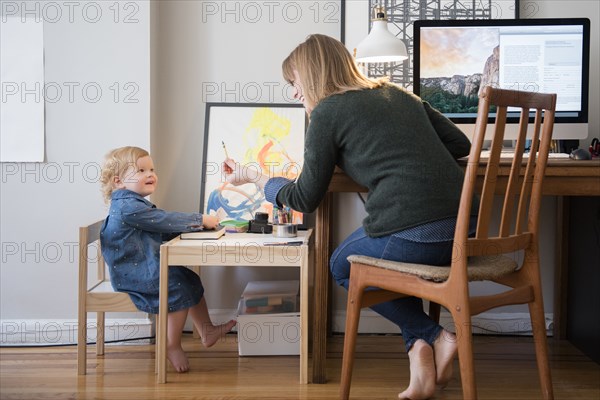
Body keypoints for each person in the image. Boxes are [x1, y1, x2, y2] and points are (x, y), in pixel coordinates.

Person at [224, 34, 478, 399]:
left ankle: (436, 336)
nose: (295, 94)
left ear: (311, 75)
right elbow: (461, 144)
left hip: (417, 235)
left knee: (343, 265)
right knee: (388, 268)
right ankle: (421, 360)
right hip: (464, 229)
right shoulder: (399, 93)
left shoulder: (327, 112)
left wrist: (252, 175)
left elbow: (304, 198)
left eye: (294, 83)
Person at [99, 146, 236, 373]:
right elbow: (162, 220)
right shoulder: (127, 207)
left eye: (151, 169)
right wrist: (200, 219)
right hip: (133, 274)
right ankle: (171, 345)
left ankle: (207, 330)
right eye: (141, 170)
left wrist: (197, 228)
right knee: (177, 285)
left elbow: (156, 227)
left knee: (188, 278)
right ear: (118, 182)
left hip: (142, 266)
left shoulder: (133, 203)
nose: (150, 174)